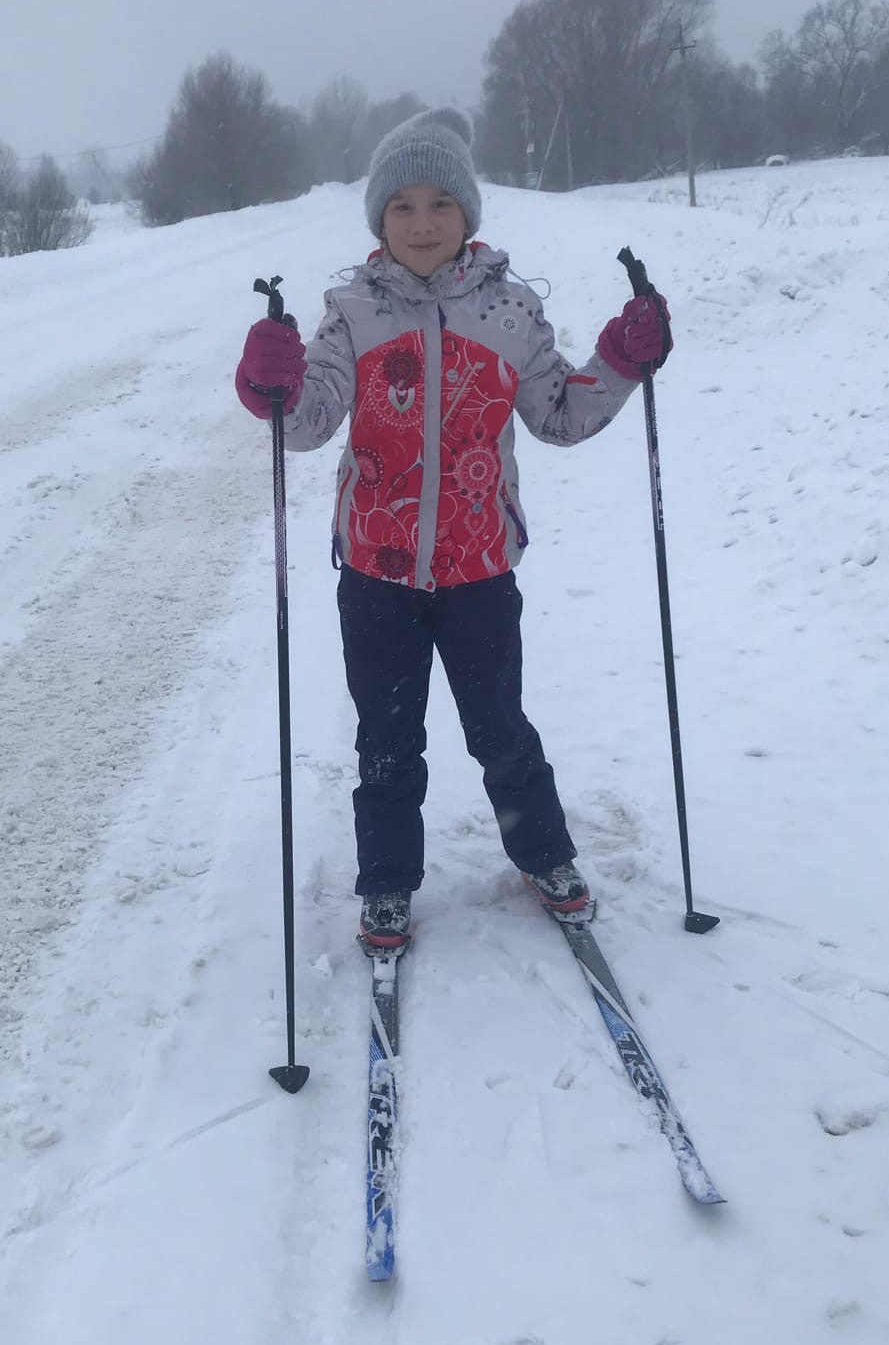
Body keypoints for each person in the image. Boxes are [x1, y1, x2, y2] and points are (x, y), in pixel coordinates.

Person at [234, 107, 670, 949]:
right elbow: (310, 418)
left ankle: (544, 855)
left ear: (468, 213)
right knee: (387, 743)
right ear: (378, 219)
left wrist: (620, 357)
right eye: (402, 206)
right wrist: (271, 385)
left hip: (478, 570)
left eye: (440, 202)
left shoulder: (509, 312)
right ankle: (387, 883)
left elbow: (557, 416)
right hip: (376, 573)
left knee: (501, 729)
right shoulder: (350, 313)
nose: (423, 222)